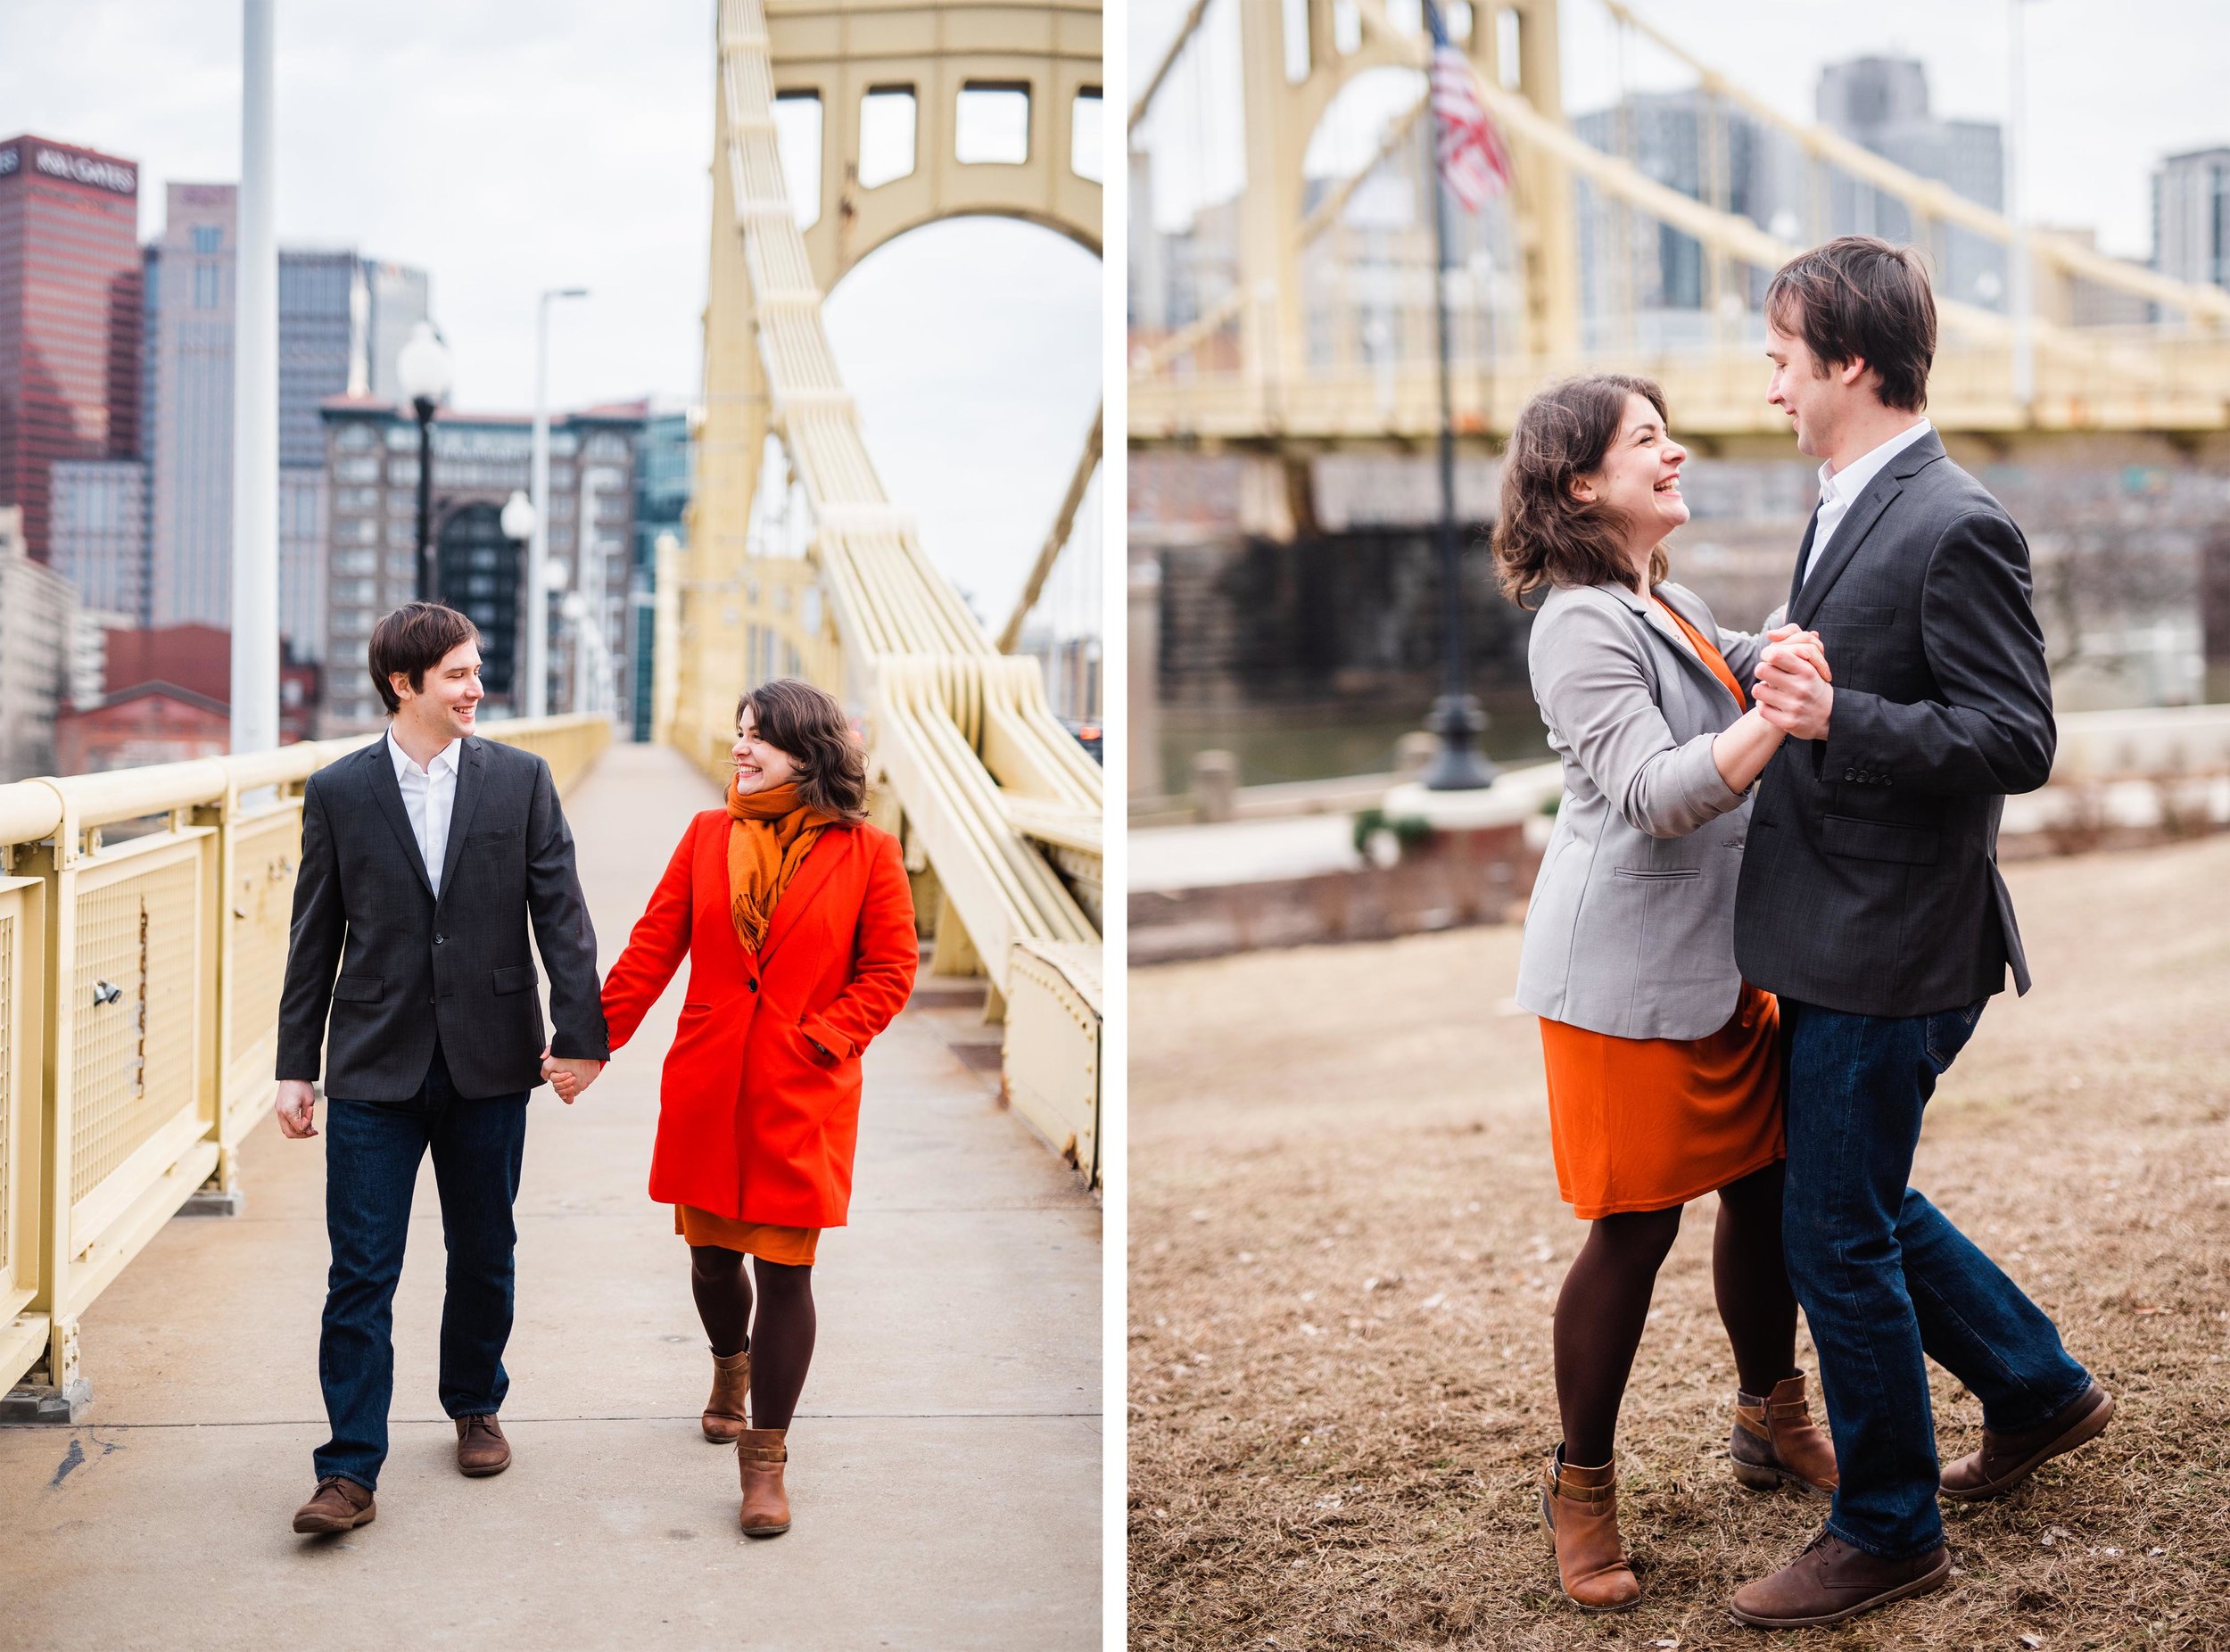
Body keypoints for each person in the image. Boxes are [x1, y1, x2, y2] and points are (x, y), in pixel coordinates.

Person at [1728, 237, 2110, 1631]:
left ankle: (1889, 1528)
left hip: (1895, 941)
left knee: (1833, 1230)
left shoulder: (1957, 519)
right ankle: (2036, 1389)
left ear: (1848, 362)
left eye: (1781, 357)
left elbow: (2018, 738)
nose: (1767, 385)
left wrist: (1843, 718)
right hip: (1837, 926)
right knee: (1860, 1202)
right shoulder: (1840, 499)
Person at [1500, 374, 1840, 1613]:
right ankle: (1579, 1486)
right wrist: (1779, 720)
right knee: (1636, 1230)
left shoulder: (1674, 601)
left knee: (1766, 1193)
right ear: (1581, 481)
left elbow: (1764, 663)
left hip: (1723, 967)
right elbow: (1656, 789)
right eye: (1648, 441)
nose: (1676, 452)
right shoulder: (1576, 623)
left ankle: (1771, 1415)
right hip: (1622, 987)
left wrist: (1799, 648)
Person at [274, 601, 609, 1536]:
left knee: (483, 1249)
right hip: (374, 1063)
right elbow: (315, 937)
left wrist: (581, 1036)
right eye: (458, 674)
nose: (476, 688)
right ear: (403, 684)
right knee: (361, 1271)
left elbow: (564, 917)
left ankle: (474, 1401)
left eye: (476, 670)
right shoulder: (338, 790)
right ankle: (347, 1470)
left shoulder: (522, 780)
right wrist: (294, 1066)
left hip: (491, 1056)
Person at [571, 677, 916, 1536]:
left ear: (808, 750)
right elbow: (652, 950)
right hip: (708, 1081)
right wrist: (591, 1044)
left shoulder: (868, 852)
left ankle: (765, 1461)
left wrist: (822, 1039)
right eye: (738, 731)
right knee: (713, 1261)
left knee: (787, 1272)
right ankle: (731, 1366)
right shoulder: (705, 835)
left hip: (802, 1091)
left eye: (760, 736)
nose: (741, 748)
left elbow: (891, 972)